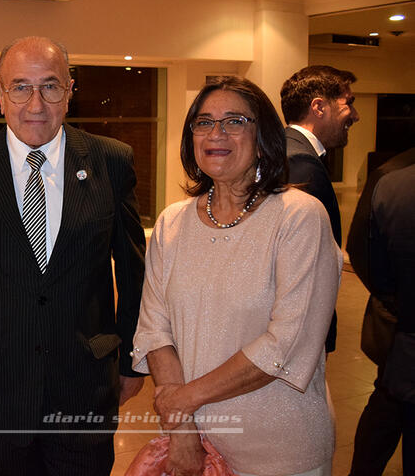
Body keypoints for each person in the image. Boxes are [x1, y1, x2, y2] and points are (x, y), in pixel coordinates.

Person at [0, 36, 147, 476]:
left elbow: (132, 273)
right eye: (20, 87)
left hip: (83, 386)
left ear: (70, 91)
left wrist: (131, 361)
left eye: (50, 87)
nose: (36, 103)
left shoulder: (111, 160)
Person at [132, 76, 341, 476]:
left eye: (234, 121)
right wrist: (183, 432)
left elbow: (284, 345)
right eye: (204, 122)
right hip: (193, 444)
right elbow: (155, 330)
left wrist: (180, 401)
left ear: (263, 135)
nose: (217, 133)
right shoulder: (172, 222)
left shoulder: (299, 217)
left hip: (279, 450)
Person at [280, 64, 359, 353]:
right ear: (318, 107)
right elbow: (306, 265)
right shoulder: (301, 162)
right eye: (348, 102)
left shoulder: (286, 149)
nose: (356, 115)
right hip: (301, 333)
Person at [346, 146, 415, 475]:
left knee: (385, 412)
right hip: (399, 333)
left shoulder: (390, 177)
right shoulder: (392, 177)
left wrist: (391, 298)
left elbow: (363, 253)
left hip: (399, 328)